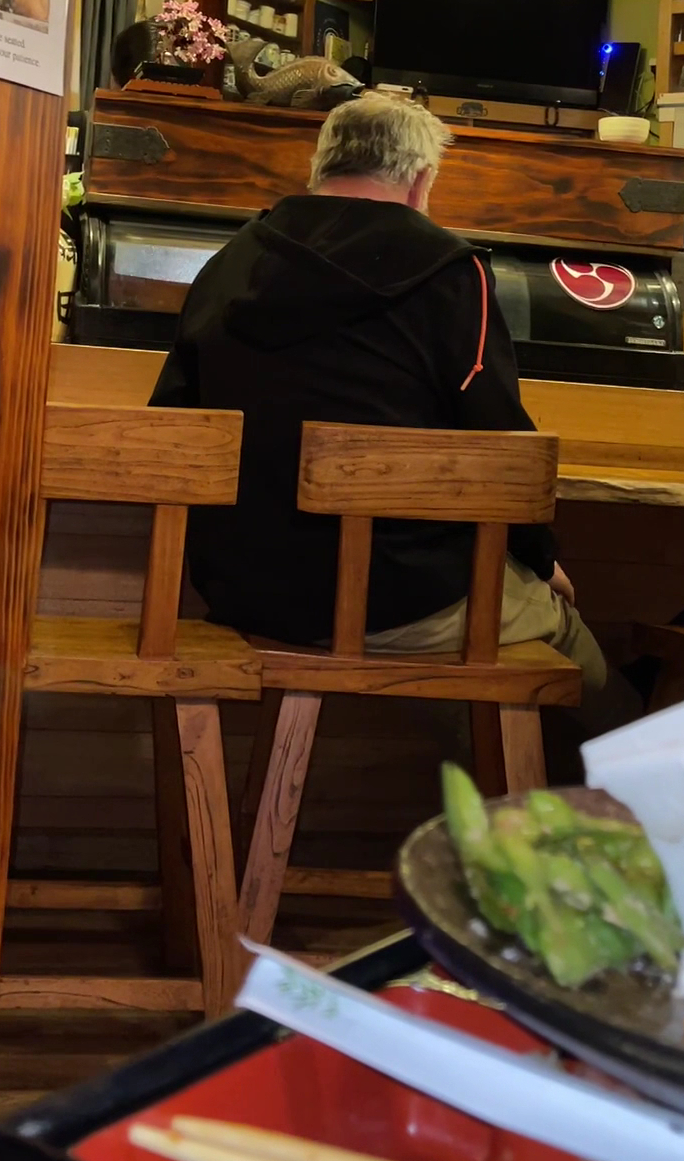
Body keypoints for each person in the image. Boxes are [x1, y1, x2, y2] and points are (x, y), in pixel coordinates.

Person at [150, 92, 637, 743]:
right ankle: (659, 788)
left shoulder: (227, 264)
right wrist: (544, 563)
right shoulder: (451, 272)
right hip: (399, 597)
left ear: (320, 167)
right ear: (420, 180)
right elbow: (499, 450)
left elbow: (172, 427)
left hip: (243, 593)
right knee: (566, 643)